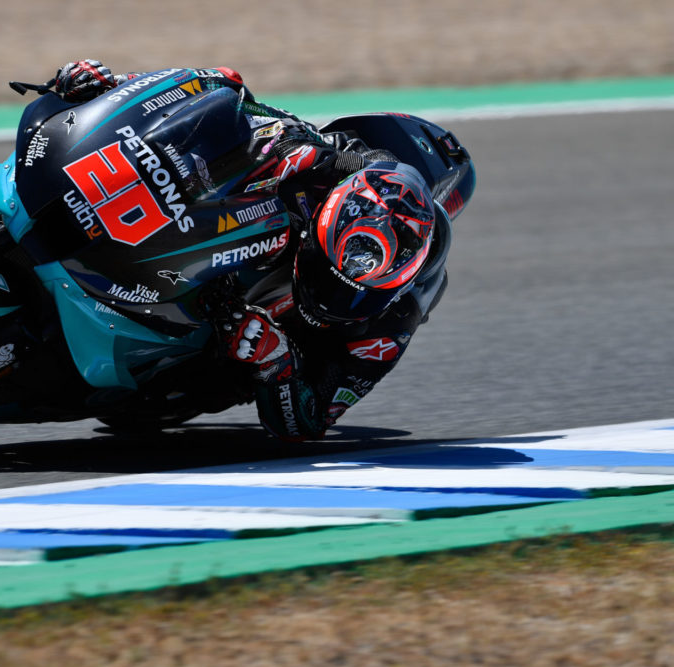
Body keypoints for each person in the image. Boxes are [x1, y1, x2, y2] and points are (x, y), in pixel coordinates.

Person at [52, 60, 453, 442]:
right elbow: (215, 91)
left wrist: (274, 364)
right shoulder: (315, 162)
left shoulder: (393, 324)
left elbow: (308, 423)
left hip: (219, 358)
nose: (331, 293)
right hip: (188, 250)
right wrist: (113, 86)